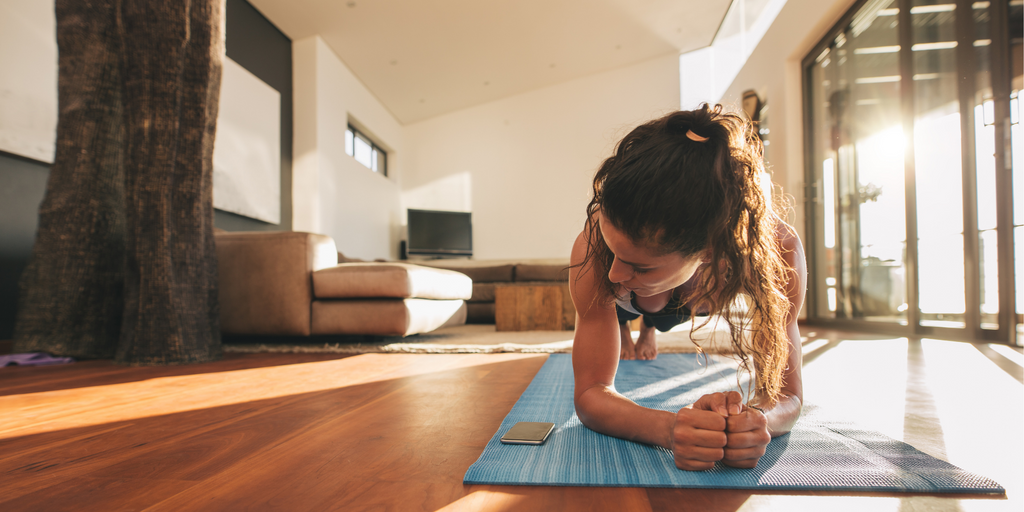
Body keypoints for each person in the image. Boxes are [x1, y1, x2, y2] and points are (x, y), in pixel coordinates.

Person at [568, 104, 807, 471]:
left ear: (710, 251)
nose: (614, 273)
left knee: (656, 303)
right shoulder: (595, 249)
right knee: (628, 295)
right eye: (615, 250)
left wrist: (757, 420)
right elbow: (589, 393)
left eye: (638, 265)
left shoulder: (779, 251)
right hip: (633, 306)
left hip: (695, 290)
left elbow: (787, 394)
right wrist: (669, 427)